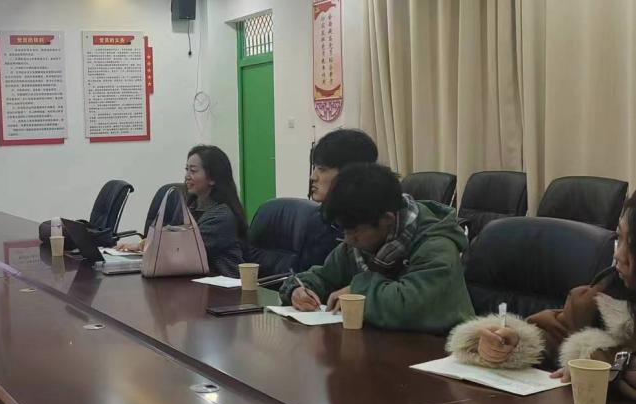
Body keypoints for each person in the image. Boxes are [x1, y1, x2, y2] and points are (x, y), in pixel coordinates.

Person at [447, 195, 636, 391]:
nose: (618, 255)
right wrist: (512, 343)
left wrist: (606, 363)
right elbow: (559, 333)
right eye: (619, 238)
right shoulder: (608, 293)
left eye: (631, 244)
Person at [280, 163, 473, 334]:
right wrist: (299, 289)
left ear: (386, 220)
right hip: (381, 346)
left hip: (439, 350)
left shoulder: (436, 245)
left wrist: (358, 292)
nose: (348, 239)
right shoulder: (358, 240)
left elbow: (412, 305)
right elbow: (324, 276)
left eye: (354, 232)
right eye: (344, 230)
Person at [248, 128, 379, 275]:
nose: (313, 177)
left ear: (350, 173)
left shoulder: (376, 224)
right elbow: (301, 274)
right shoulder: (319, 218)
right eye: (315, 168)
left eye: (322, 169)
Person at [119, 145, 247, 277]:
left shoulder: (221, 216)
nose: (187, 176)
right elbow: (171, 237)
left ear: (212, 178)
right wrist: (141, 245)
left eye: (193, 171)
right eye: (187, 170)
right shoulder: (189, 207)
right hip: (192, 280)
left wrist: (143, 245)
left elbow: (181, 249)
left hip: (223, 284)